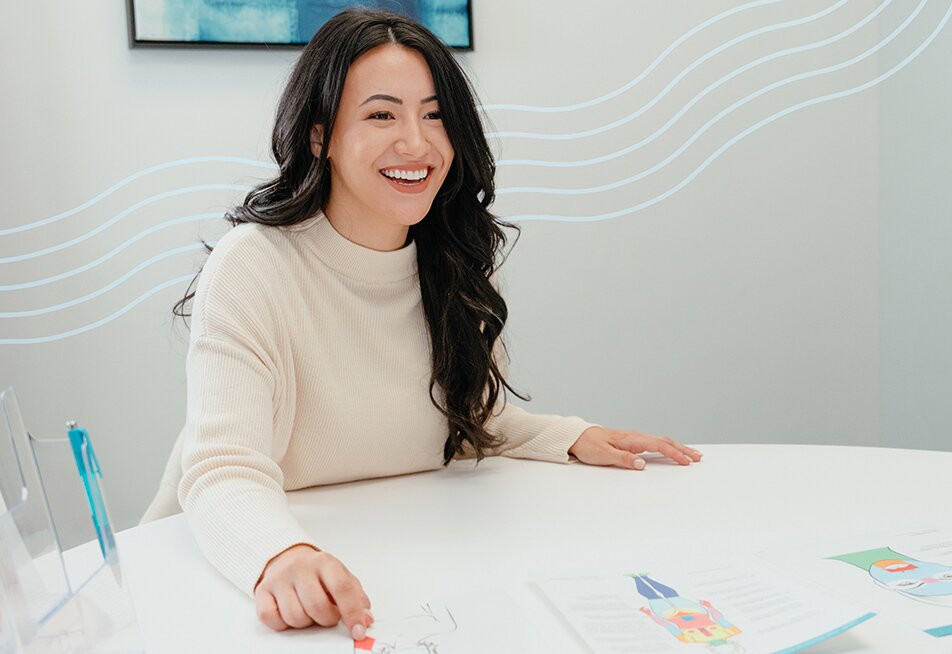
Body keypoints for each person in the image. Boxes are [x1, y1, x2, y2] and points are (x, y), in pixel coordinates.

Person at [141, 7, 702, 642]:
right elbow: (223, 471)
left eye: (434, 115)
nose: (416, 142)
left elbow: (457, 424)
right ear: (320, 136)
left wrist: (572, 438)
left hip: (386, 567)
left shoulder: (445, 262)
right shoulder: (255, 267)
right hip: (217, 578)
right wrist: (280, 556)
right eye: (382, 115)